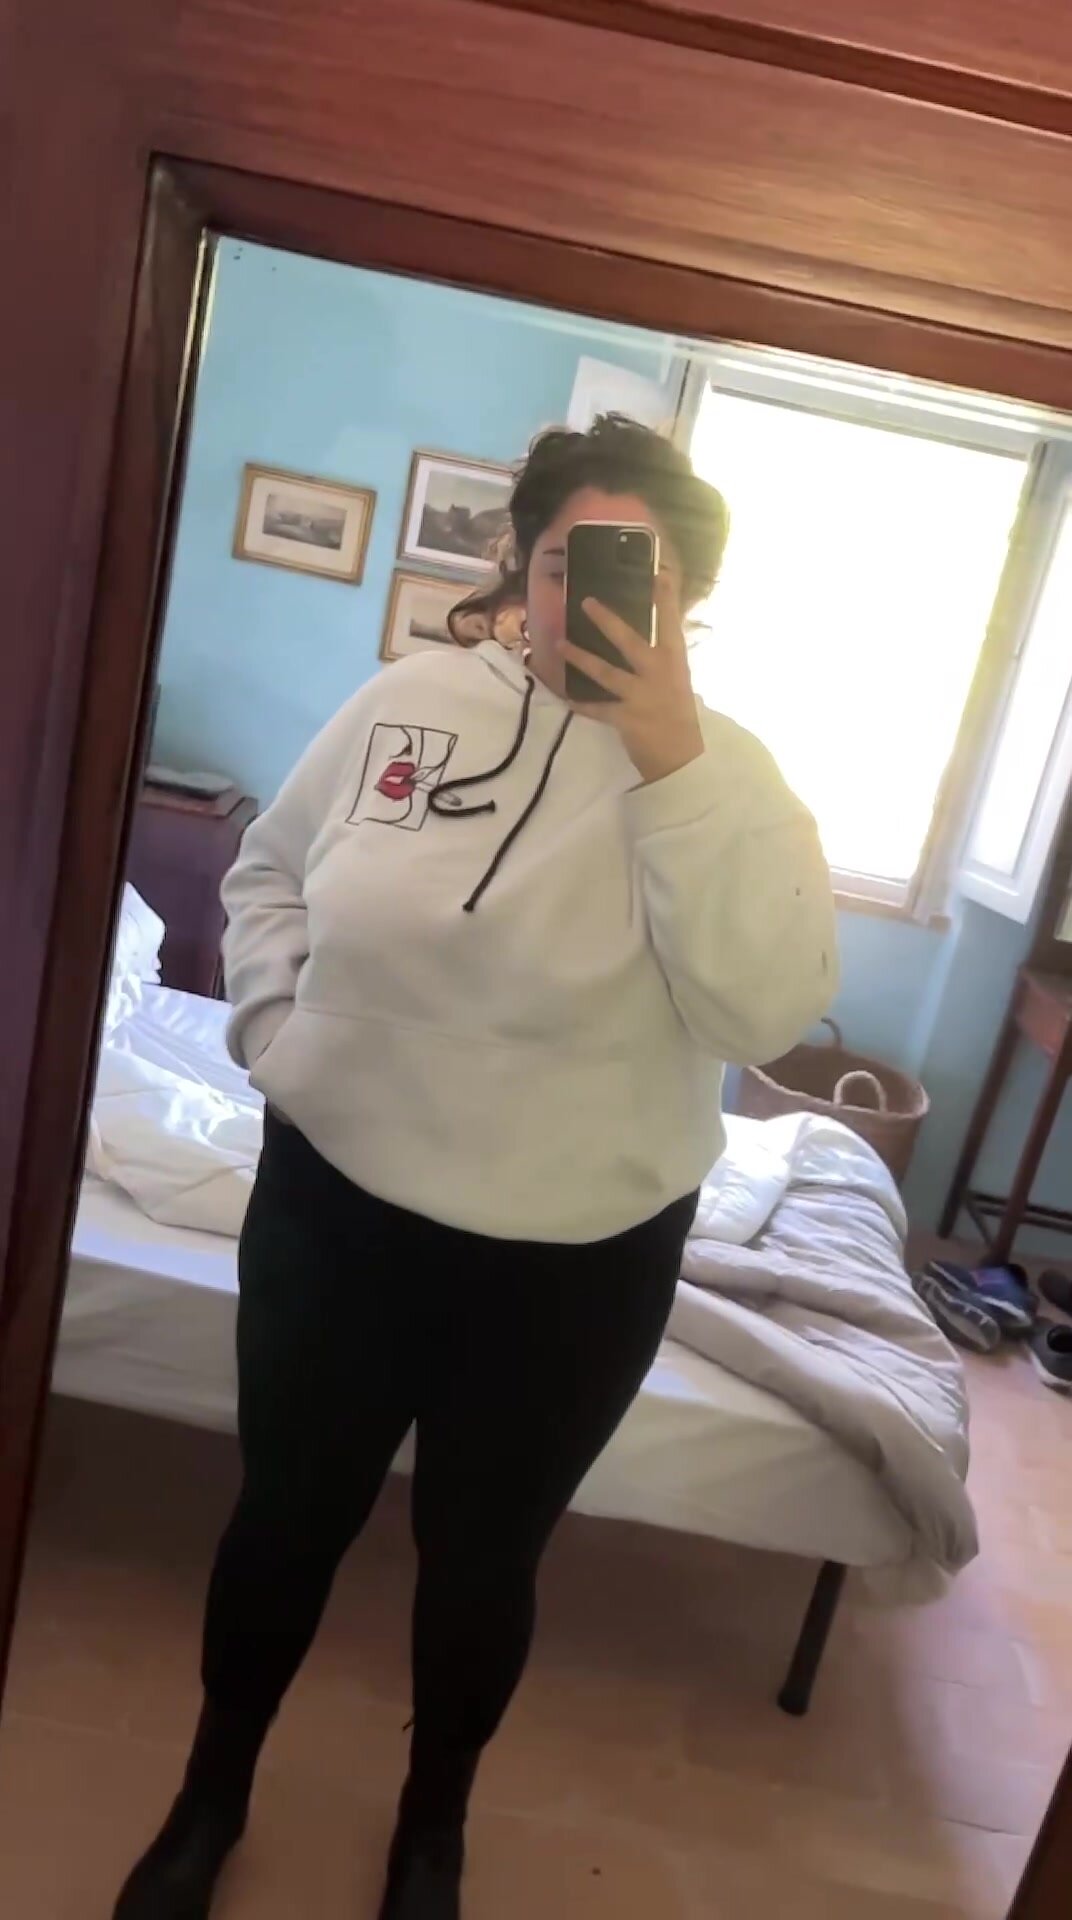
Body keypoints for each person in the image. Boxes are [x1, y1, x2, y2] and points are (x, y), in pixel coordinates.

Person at [114, 414, 838, 1920]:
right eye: (567, 561)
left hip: (577, 1264)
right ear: (523, 563)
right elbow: (268, 870)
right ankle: (207, 1797)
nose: (589, 598)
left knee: (483, 1566)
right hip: (338, 1217)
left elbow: (762, 1014)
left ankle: (430, 1833)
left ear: (690, 597)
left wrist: (671, 762)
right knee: (282, 1523)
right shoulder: (406, 702)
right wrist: (270, 1027)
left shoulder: (737, 779)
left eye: (636, 573)